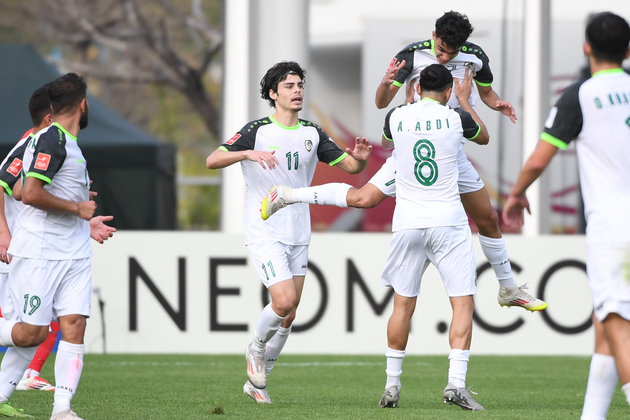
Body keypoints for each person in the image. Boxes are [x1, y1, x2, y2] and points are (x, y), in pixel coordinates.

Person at [262, 11, 546, 312]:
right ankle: (287, 195)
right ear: (434, 35)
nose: (445, 58)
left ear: (462, 45)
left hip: (451, 151)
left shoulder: (476, 56)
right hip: (411, 149)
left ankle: (508, 288)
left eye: (452, 53)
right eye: (441, 50)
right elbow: (382, 102)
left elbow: (486, 93)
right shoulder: (410, 56)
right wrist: (386, 85)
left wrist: (496, 103)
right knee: (363, 198)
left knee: (488, 218)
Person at [206, 61, 372, 404]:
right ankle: (255, 348)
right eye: (289, 86)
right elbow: (212, 160)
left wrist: (361, 159)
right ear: (273, 94)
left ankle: (256, 383)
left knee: (290, 312)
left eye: (299, 85)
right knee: (283, 301)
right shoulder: (256, 130)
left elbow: (351, 168)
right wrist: (247, 153)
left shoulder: (313, 133)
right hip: (264, 228)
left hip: (299, 229)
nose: (297, 91)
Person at [502, 12, 630, 419]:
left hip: (614, 229)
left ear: (586, 47)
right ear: (628, 51)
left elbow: (540, 159)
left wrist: (517, 193)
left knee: (616, 321)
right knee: (605, 326)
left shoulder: (582, 95)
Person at [0, 73, 113, 420]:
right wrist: (76, 208)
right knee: (31, 333)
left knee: (74, 323)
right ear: (82, 104)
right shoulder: (52, 140)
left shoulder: (63, 142)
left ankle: (62, 409)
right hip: (40, 252)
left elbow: (22, 191)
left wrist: (80, 212)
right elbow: (29, 193)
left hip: (74, 252)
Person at [376, 64, 486, 410]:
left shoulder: (397, 115)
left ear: (418, 86)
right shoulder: (456, 117)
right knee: (462, 302)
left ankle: (392, 385)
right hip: (448, 222)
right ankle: (455, 383)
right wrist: (467, 103)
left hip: (408, 221)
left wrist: (407, 104)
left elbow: (386, 142)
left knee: (403, 305)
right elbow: (483, 137)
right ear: (449, 91)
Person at [0, 85, 58, 394]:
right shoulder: (30, 144)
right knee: (29, 329)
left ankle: (6, 392)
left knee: (36, 327)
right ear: (50, 117)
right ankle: (29, 374)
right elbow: (2, 182)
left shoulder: (48, 145)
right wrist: (4, 232)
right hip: (12, 251)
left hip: (28, 250)